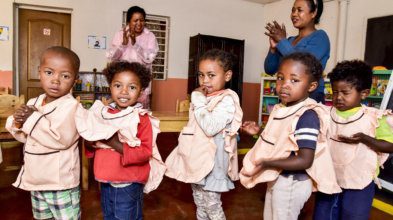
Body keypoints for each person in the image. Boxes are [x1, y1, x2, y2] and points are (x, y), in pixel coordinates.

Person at [240, 52, 341, 220]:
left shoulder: (307, 116)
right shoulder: (282, 108)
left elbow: (304, 160)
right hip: (278, 177)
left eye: (294, 80)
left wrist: (267, 162)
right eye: (280, 78)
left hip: (292, 183)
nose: (284, 85)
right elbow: (282, 143)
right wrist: (258, 134)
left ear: (311, 86)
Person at [74, 61, 166, 220]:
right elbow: (91, 144)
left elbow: (145, 152)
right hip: (105, 179)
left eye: (131, 87)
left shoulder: (141, 119)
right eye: (118, 85)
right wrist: (90, 140)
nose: (124, 91)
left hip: (128, 181)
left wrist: (112, 142)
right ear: (110, 87)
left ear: (141, 91)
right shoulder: (102, 114)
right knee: (110, 215)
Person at [165, 49, 243, 220]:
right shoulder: (205, 97)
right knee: (200, 202)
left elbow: (209, 127)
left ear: (227, 76)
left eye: (211, 75)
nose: (205, 80)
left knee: (212, 205)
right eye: (201, 75)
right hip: (197, 159)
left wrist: (197, 98)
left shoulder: (227, 100)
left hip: (213, 163)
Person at [6, 46, 81, 219]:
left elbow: (61, 140)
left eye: (65, 76)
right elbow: (26, 136)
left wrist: (30, 119)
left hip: (60, 184)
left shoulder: (71, 107)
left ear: (75, 80)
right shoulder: (35, 102)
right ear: (39, 72)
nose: (56, 80)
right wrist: (18, 122)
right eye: (49, 73)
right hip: (36, 181)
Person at [313, 60, 393, 220]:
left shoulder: (375, 118)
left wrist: (365, 139)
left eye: (345, 92)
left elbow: (390, 146)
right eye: (334, 92)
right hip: (329, 179)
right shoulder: (326, 113)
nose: (338, 97)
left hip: (359, 183)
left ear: (363, 93)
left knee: (354, 216)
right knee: (323, 215)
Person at [264, 0, 329, 103]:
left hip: (310, 96)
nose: (294, 14)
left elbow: (303, 64)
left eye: (299, 10)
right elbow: (269, 69)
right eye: (293, 10)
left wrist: (281, 41)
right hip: (287, 94)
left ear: (314, 13)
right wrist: (273, 48)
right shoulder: (289, 41)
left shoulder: (320, 37)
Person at [106, 6, 159, 109]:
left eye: (142, 20)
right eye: (135, 20)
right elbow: (111, 57)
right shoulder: (120, 34)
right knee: (121, 110)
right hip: (123, 81)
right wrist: (123, 44)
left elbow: (149, 58)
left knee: (140, 114)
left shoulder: (150, 36)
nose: (139, 23)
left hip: (140, 82)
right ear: (128, 22)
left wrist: (135, 44)